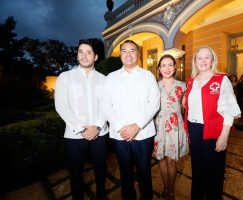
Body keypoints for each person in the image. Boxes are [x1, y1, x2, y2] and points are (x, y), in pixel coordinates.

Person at [103, 40, 160, 200]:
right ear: (120, 54)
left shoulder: (148, 76)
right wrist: (122, 127)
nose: (128, 54)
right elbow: (106, 105)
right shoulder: (111, 77)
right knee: (125, 171)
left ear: (138, 54)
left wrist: (137, 126)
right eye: (125, 51)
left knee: (144, 171)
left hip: (144, 133)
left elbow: (154, 103)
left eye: (132, 50)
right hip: (119, 134)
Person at [183, 46, 241, 200]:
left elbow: (229, 110)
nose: (203, 60)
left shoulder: (221, 79)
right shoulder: (191, 81)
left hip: (214, 131)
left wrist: (223, 137)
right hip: (194, 130)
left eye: (207, 57)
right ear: (195, 61)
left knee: (214, 173)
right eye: (199, 57)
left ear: (212, 60)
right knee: (197, 169)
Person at [55, 39, 108, 200]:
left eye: (88, 52)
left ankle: (101, 196)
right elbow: (62, 106)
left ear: (96, 56)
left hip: (100, 134)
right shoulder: (65, 77)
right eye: (80, 52)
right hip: (75, 135)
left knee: (101, 170)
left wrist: (97, 126)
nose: (84, 56)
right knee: (76, 172)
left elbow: (107, 105)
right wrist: (83, 128)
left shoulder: (104, 79)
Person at [152, 54, 189, 200]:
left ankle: (171, 189)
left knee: (172, 160)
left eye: (170, 65)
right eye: (163, 65)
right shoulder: (154, 85)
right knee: (161, 158)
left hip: (175, 126)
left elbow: (188, 106)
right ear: (159, 69)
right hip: (159, 125)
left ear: (175, 67)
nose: (167, 68)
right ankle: (165, 187)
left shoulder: (182, 86)